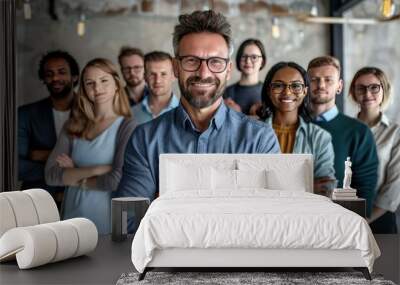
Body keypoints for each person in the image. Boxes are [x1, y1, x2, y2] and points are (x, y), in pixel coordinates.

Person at [117, 10, 280, 203]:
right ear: (176, 67)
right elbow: (130, 222)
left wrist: (164, 205)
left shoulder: (259, 139)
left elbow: (266, 219)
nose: (203, 73)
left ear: (228, 70)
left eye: (216, 62)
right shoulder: (144, 139)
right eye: (192, 61)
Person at [45, 58, 136, 234]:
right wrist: (101, 169)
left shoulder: (128, 126)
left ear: (117, 84)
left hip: (107, 223)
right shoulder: (73, 126)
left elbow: (116, 180)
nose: (97, 88)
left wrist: (74, 172)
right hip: (71, 219)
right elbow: (51, 175)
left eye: (104, 80)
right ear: (84, 90)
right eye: (90, 83)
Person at [307, 56, 378, 217]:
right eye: (314, 80)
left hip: (341, 223)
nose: (321, 85)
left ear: (339, 86)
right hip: (296, 220)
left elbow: (365, 190)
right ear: (306, 85)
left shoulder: (359, 132)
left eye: (328, 80)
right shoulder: (296, 127)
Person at [258, 61, 335, 194]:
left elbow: (325, 188)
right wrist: (305, 186)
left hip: (306, 213)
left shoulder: (320, 137)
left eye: (296, 86)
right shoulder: (252, 132)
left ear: (305, 91)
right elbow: (245, 184)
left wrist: (274, 186)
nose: (287, 91)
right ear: (269, 91)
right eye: (278, 85)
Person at [18, 50, 79, 208]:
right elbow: (16, 165)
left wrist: (42, 155)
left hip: (81, 199)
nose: (55, 78)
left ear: (75, 76)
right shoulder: (26, 114)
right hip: (36, 202)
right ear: (43, 79)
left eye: (61, 72)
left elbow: (104, 163)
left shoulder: (94, 112)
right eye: (49, 74)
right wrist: (66, 167)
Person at [349, 66, 400, 233]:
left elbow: (394, 188)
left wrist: (364, 221)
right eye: (361, 88)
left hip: (380, 218)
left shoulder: (395, 133)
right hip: (344, 216)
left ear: (384, 89)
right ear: (353, 92)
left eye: (374, 87)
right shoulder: (345, 129)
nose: (367, 93)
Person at [132, 51, 179, 125]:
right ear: (145, 77)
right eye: (152, 74)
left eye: (163, 74)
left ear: (173, 76)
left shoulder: (186, 113)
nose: (158, 80)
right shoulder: (131, 114)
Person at [224, 38, 266, 115]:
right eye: (244, 56)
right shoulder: (226, 92)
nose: (248, 61)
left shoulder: (268, 93)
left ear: (262, 62)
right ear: (238, 59)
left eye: (254, 57)